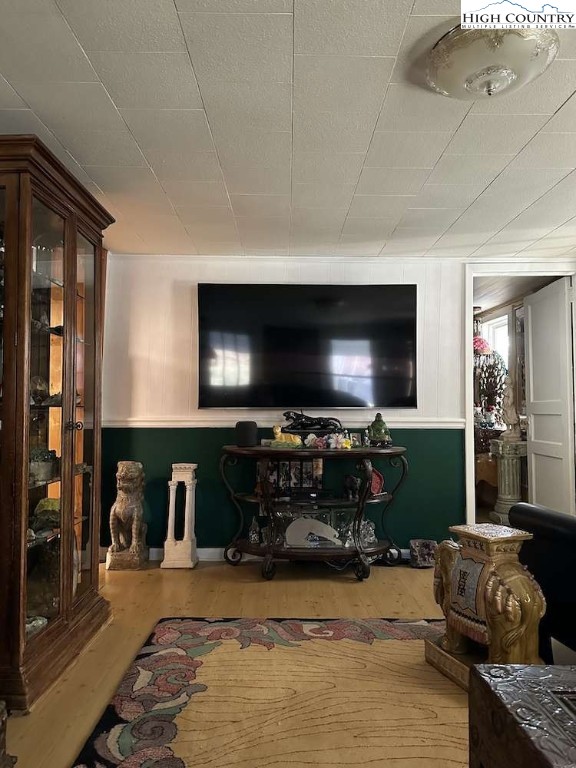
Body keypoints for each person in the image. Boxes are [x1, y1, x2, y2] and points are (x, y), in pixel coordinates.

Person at [502, 375, 521, 441]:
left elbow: (511, 397)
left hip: (509, 406)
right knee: (506, 416)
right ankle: (508, 429)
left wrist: (509, 404)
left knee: (511, 417)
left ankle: (512, 430)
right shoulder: (506, 389)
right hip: (505, 404)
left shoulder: (510, 389)